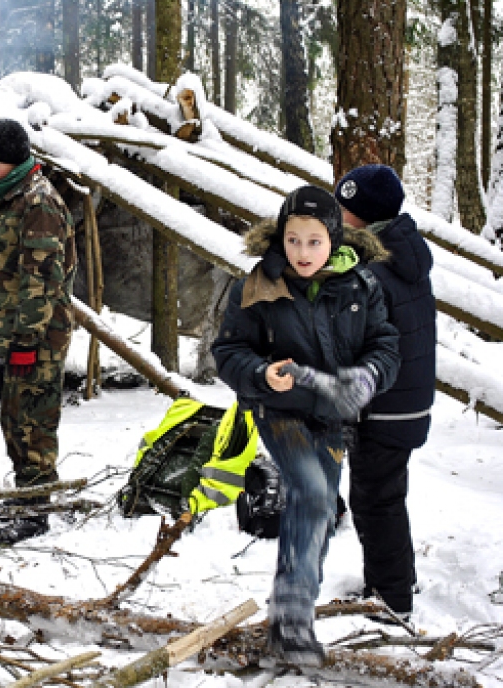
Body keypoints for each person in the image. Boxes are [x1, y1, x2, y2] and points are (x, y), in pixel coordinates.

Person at [211, 185, 400, 667]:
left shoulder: (361, 286)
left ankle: (297, 617)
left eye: (314, 242)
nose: (302, 252)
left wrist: (370, 374)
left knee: (319, 516)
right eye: (293, 240)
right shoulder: (258, 284)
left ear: (333, 239)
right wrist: (259, 374)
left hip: (334, 418)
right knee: (314, 498)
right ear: (281, 237)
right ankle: (290, 626)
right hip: (281, 413)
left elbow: (385, 345)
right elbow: (229, 352)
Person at [335, 164, 435, 620]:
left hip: (384, 407)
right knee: (384, 499)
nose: (337, 214)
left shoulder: (373, 269)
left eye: (344, 208)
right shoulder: (401, 253)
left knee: (375, 504)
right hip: (405, 404)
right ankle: (394, 581)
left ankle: (393, 602)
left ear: (364, 216)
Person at [0, 119, 77, 546]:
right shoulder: (14, 196)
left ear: (15, 163)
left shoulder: (38, 203)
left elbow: (40, 279)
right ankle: (27, 495)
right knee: (14, 416)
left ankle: (36, 511)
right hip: (21, 329)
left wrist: (26, 339)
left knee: (33, 420)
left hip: (39, 334)